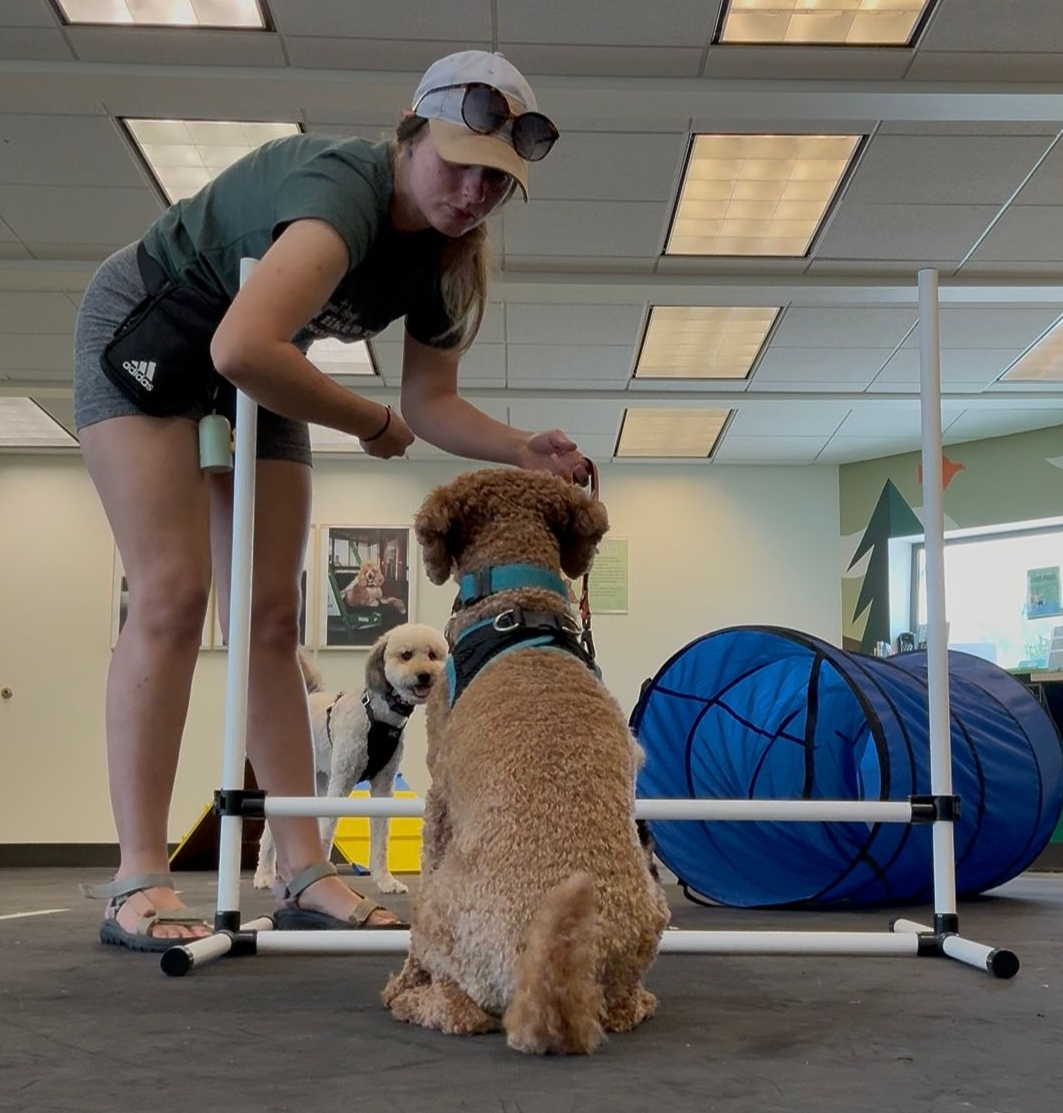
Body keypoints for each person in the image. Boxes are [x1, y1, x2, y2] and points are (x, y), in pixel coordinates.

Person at [73, 49, 588, 951]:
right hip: (154, 328)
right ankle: (138, 877)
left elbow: (429, 401)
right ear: (411, 132)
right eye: (458, 163)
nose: (473, 193)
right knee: (173, 592)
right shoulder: (344, 189)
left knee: (271, 614)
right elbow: (240, 348)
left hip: (258, 360)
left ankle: (302, 867)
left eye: (495, 181)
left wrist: (518, 447)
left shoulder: (449, 260)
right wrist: (365, 421)